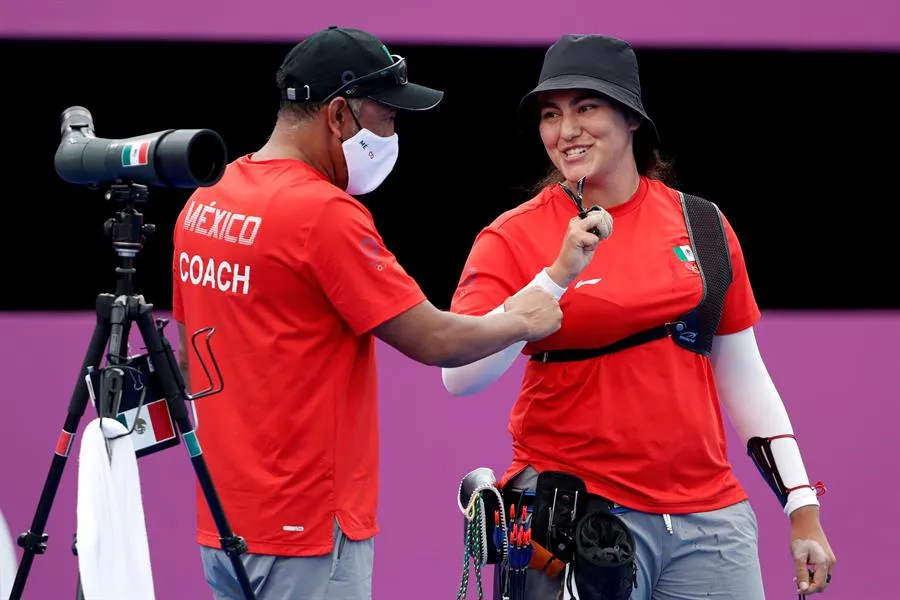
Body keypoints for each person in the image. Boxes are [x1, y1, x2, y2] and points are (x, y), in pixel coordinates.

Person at [170, 26, 607, 600]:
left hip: (224, 522)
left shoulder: (207, 199)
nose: (394, 133)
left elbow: (186, 353)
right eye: (388, 117)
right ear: (338, 116)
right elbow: (432, 340)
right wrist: (528, 314)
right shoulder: (322, 212)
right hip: (307, 527)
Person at [442, 34, 836, 599]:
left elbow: (744, 376)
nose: (566, 130)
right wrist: (556, 275)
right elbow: (458, 377)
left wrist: (801, 504)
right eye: (551, 115)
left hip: (710, 523)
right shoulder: (512, 236)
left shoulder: (703, 225)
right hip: (578, 521)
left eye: (587, 108)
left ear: (631, 118)